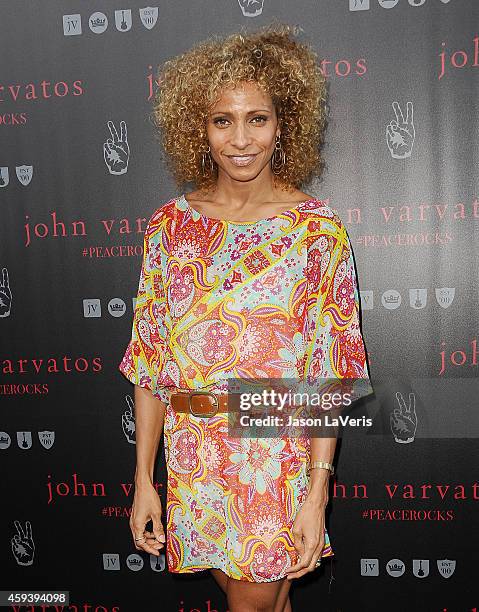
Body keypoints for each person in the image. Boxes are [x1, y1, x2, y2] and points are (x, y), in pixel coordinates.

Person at [118, 23, 372, 612]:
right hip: (194, 455)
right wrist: (144, 480)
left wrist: (317, 491)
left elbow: (331, 372)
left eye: (257, 118)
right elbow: (151, 362)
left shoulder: (316, 231)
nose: (240, 139)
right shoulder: (169, 228)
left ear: (283, 124)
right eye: (222, 120)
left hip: (273, 453)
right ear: (198, 127)